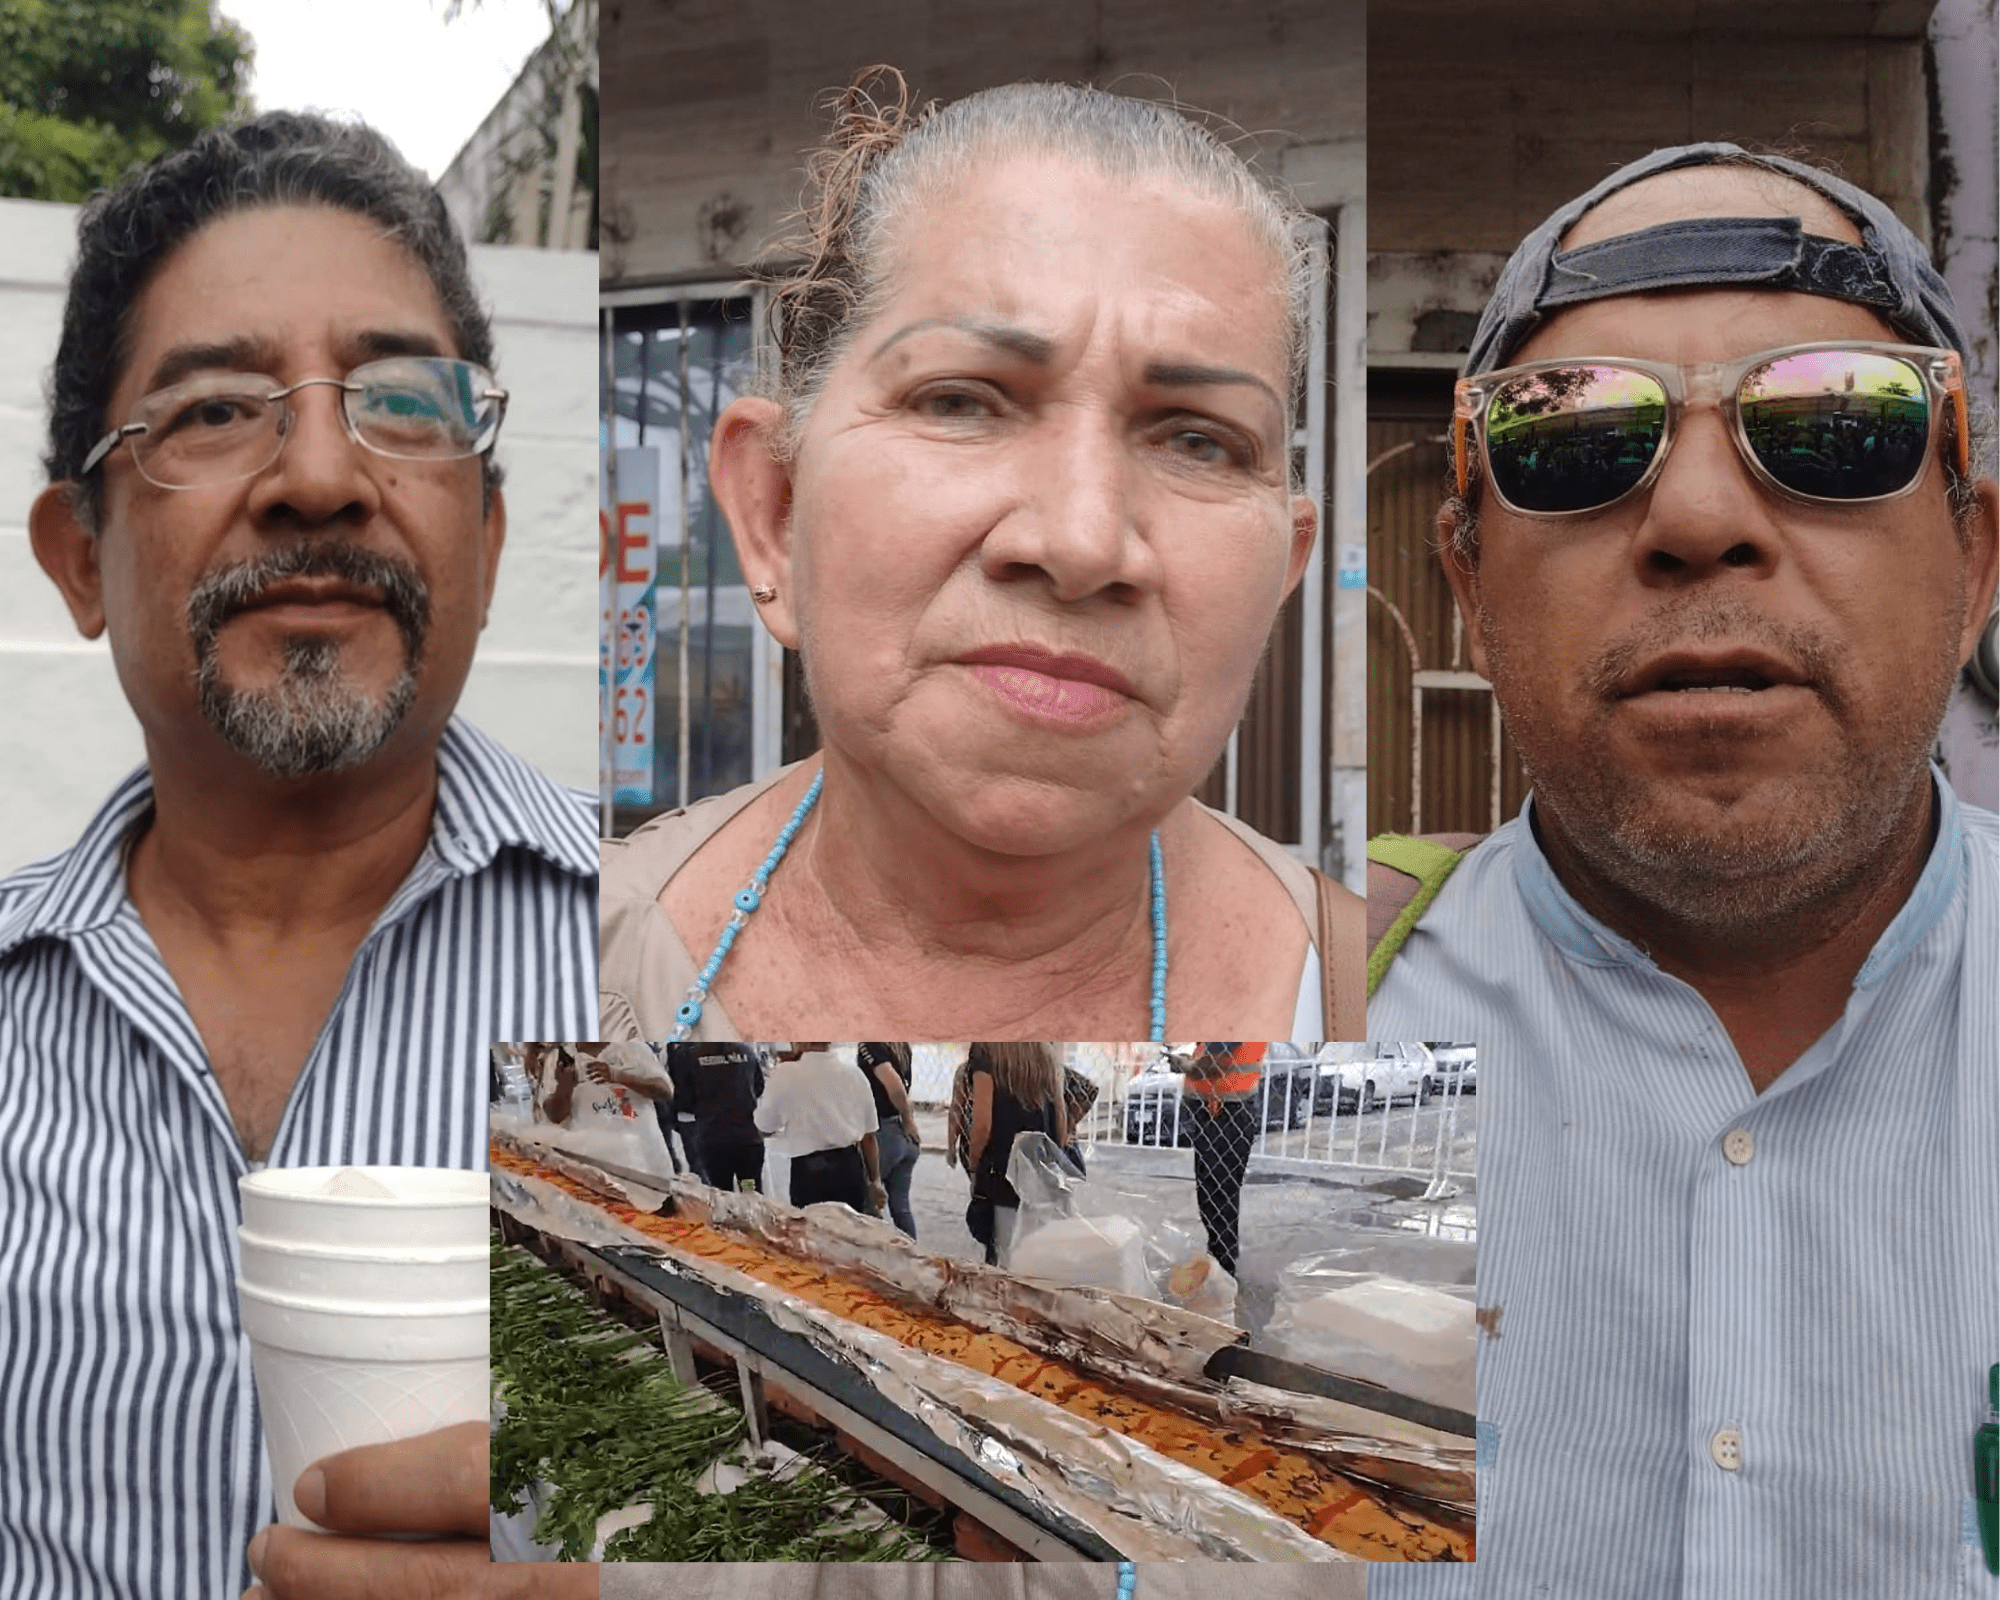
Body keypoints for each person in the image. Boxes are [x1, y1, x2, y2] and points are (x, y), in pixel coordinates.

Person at [1367, 145, 1998, 1599]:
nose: (1699, 521)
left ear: (1973, 568)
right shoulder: (1291, 1003)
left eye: (1837, 426)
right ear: (1468, 586)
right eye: (1572, 440)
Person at [0, 114, 597, 1600]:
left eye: (403, 401)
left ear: (490, 527)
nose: (321, 472)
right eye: (212, 411)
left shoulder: (687, 946)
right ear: (80, 554)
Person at [599, 69, 1365, 1044]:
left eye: (1197, 440)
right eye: (960, 401)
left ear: (1281, 575)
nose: (1081, 544)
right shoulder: (559, 956)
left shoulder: (1370, 985)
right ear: (776, 511)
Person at [962, 1041, 1067, 1265]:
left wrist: (974, 1166)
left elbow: (982, 1125)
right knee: (1039, 1255)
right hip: (1043, 1168)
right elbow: (1061, 1117)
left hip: (1003, 1171)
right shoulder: (1045, 1051)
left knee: (1005, 1255)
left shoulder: (986, 1050)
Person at [753, 1043, 886, 1213]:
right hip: (849, 1168)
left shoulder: (786, 1074)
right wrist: (875, 1181)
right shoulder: (855, 1074)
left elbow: (765, 1125)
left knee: (813, 1232)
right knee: (849, 1231)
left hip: (810, 1173)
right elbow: (869, 1137)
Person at [1180, 1041, 1267, 1278]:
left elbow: (1214, 1061)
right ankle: (1221, 1263)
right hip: (1225, 1107)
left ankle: (1222, 1269)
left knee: (1216, 1192)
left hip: (1223, 1109)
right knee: (1219, 1191)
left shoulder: (1233, 1015)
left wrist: (1184, 1064)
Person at [665, 1039, 770, 1192]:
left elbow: (683, 1100)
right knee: (750, 1192)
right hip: (748, 1139)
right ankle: (750, 1207)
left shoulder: (689, 1054)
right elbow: (759, 1087)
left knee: (721, 1195)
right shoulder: (745, 1051)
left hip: (713, 1139)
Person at [857, 1041, 923, 1237]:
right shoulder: (901, 1045)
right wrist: (907, 1122)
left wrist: (907, 1118)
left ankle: (875, 1258)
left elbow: (893, 1084)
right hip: (902, 1134)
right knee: (901, 1207)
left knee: (868, 1203)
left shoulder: (870, 1045)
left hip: (883, 1133)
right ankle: (912, 1256)